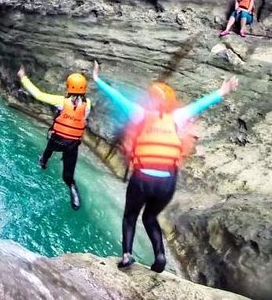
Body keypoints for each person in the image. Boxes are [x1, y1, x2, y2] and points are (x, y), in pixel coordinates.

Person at [92, 60, 238, 273]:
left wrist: (97, 79)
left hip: (142, 178)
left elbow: (116, 97)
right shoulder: (178, 117)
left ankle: (126, 255)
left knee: (130, 216)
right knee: (150, 217)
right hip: (166, 182)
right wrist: (222, 91)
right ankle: (160, 255)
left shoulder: (139, 113)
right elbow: (202, 104)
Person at [17, 66, 91, 210]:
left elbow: (38, 94)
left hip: (58, 140)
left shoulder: (61, 101)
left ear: (68, 87)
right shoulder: (87, 104)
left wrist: (23, 77)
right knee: (67, 177)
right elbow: (82, 115)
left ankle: (43, 162)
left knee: (49, 147)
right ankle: (74, 192)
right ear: (84, 89)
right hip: (72, 144)